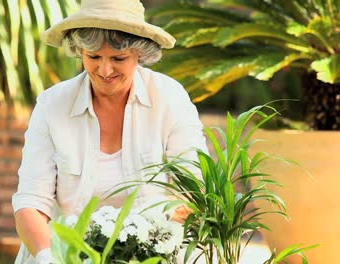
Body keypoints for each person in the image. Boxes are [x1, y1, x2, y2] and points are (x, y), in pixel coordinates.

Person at [12, 0, 208, 262]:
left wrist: (145, 248)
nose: (105, 70)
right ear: (80, 51)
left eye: (118, 58)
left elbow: (193, 194)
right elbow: (30, 203)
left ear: (139, 53)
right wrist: (49, 257)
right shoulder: (52, 104)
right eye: (93, 57)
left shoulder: (169, 99)